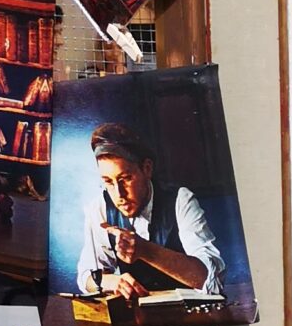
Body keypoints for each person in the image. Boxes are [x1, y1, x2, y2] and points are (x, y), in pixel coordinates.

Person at [76, 121, 223, 301]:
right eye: (108, 182)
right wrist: (112, 282)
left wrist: (146, 250)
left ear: (147, 168)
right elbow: (86, 277)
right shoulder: (99, 208)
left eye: (125, 179)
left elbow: (212, 281)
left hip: (189, 312)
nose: (119, 194)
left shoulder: (180, 200)